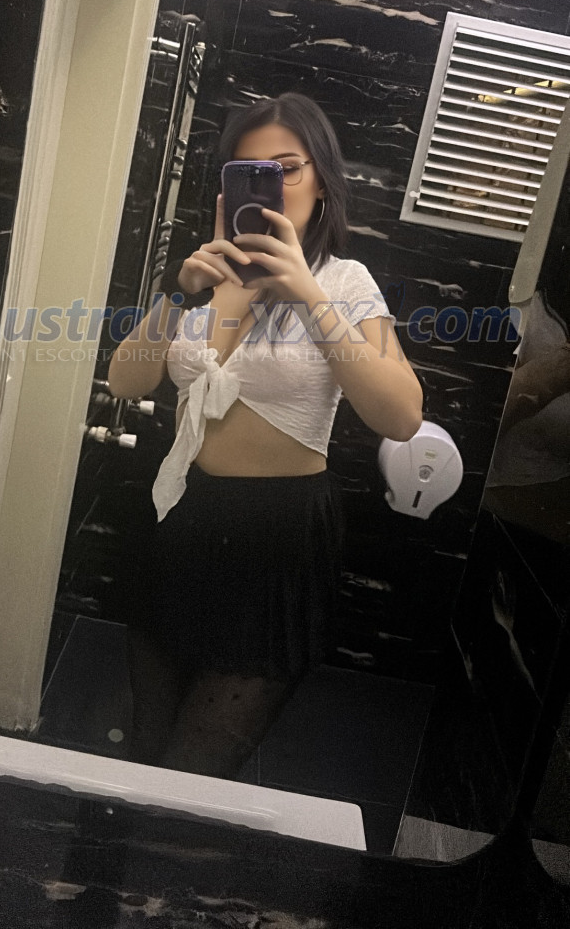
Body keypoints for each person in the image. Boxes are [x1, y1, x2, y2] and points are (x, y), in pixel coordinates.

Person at [108, 92, 423, 779]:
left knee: (196, 768)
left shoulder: (344, 282)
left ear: (322, 181)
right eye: (249, 170)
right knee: (145, 749)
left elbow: (401, 416)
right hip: (183, 520)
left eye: (287, 168)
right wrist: (178, 291)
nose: (270, 185)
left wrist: (307, 295)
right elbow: (125, 382)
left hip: (279, 540)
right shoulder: (202, 277)